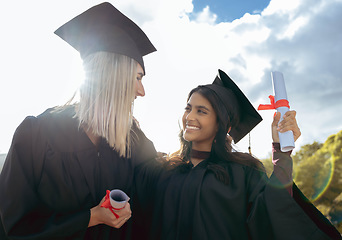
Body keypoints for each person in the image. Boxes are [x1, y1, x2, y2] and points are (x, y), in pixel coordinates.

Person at [0, 2, 157, 239]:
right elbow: (15, 227)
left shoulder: (131, 137)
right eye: (137, 77)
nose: (142, 91)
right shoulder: (36, 134)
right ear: (113, 75)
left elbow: (162, 181)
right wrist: (91, 217)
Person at [135, 69, 341, 239]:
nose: (189, 116)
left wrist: (281, 151)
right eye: (188, 108)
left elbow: (275, 213)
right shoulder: (163, 168)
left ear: (223, 124)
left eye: (201, 111)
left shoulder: (243, 174)